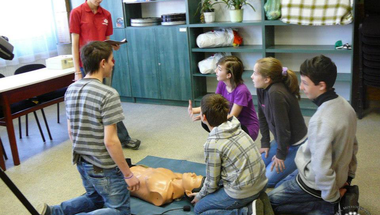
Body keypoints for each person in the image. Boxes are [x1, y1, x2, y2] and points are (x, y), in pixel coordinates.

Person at [38, 41, 140, 215]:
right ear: (102, 63)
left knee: (95, 199)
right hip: (103, 166)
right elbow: (111, 141)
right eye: (111, 60)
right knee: (120, 212)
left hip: (82, 161)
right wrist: (128, 174)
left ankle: (53, 212)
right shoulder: (108, 94)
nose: (113, 64)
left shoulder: (71, 89)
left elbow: (71, 131)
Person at [268, 55, 358, 215]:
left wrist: (333, 198)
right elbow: (353, 146)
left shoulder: (321, 120)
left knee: (270, 202)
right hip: (332, 176)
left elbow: (321, 169)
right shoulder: (346, 106)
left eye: (305, 83)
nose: (301, 87)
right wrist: (348, 177)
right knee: (278, 185)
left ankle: (328, 208)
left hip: (314, 184)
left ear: (321, 85)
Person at [69, 0, 140, 150]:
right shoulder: (77, 12)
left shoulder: (106, 14)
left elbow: (105, 41)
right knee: (99, 102)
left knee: (106, 101)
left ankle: (118, 138)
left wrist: (114, 45)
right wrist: (77, 71)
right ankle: (117, 138)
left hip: (105, 63)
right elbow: (74, 44)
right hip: (87, 65)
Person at [188, 94, 267, 215]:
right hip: (260, 184)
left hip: (243, 192)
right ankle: (257, 201)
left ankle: (246, 212)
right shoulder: (236, 124)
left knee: (199, 209)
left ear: (203, 117)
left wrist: (200, 196)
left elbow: (211, 184)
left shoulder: (213, 143)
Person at [251, 57, 308, 188]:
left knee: (266, 180)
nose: (252, 76)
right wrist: (265, 142)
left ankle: (300, 165)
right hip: (281, 140)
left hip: (295, 144)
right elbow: (262, 117)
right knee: (255, 166)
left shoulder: (276, 93)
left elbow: (284, 129)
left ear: (267, 79)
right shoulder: (261, 88)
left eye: (255, 73)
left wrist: (280, 155)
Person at [188, 56, 259, 141]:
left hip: (246, 127)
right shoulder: (222, 84)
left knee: (211, 120)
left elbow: (233, 117)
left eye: (220, 69)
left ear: (229, 75)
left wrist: (209, 116)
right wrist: (194, 110)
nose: (216, 71)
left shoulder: (241, 91)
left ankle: (228, 142)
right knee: (206, 122)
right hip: (232, 122)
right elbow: (212, 104)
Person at [130, 165, 204, 206]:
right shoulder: (178, 177)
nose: (194, 174)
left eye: (194, 179)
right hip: (128, 168)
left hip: (121, 177)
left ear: (189, 193)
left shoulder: (162, 194)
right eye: (197, 175)